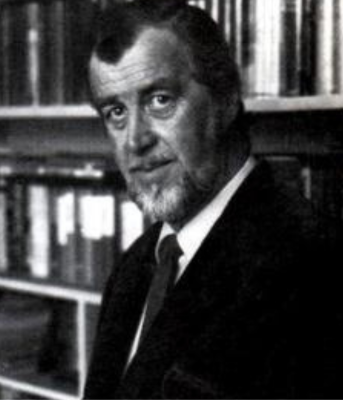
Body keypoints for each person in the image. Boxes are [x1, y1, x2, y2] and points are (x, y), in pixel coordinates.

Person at [84, 0, 343, 398]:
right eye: (115, 112)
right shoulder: (136, 264)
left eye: (160, 100)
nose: (135, 140)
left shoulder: (313, 268)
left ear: (225, 99)